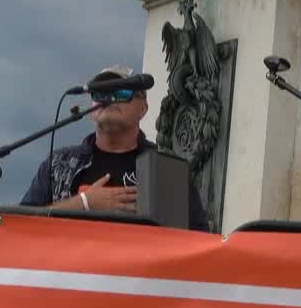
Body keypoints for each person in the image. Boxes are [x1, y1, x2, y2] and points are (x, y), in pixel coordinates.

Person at [20, 65, 208, 231]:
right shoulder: (58, 164)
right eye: (101, 93)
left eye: (121, 93)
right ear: (91, 111)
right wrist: (84, 203)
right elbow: (18, 225)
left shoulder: (168, 170)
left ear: (143, 108)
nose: (109, 99)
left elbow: (197, 241)